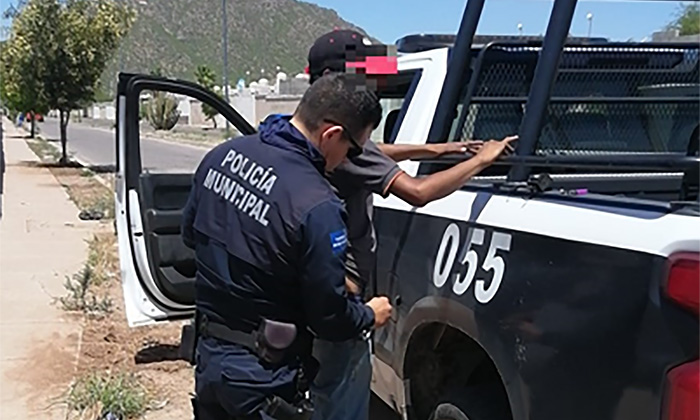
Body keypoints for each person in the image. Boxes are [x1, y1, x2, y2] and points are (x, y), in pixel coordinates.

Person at [304, 29, 517, 420]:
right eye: (370, 77)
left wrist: (438, 148)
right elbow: (417, 192)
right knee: (339, 396)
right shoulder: (348, 148)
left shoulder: (310, 132)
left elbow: (370, 150)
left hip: (313, 291)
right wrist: (481, 160)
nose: (375, 85)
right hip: (344, 295)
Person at [182, 73, 393, 420]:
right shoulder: (318, 203)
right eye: (354, 149)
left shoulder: (221, 156)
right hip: (263, 378)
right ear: (332, 135)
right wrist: (370, 314)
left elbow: (191, 237)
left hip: (209, 361)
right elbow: (329, 318)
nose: (349, 159)